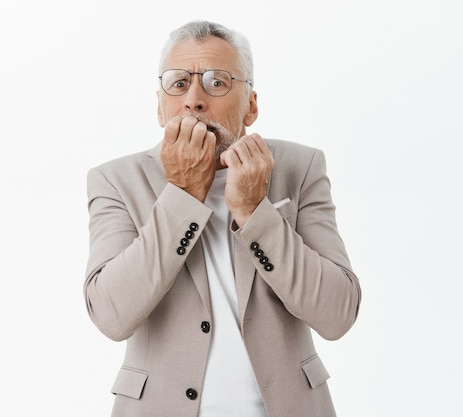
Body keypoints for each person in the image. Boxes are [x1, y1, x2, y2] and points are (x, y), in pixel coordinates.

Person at [84, 20, 361, 417]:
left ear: (251, 105)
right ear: (160, 107)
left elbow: (338, 315)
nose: (194, 99)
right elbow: (111, 316)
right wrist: (181, 195)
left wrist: (254, 213)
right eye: (179, 84)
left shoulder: (300, 168)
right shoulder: (114, 179)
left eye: (217, 82)